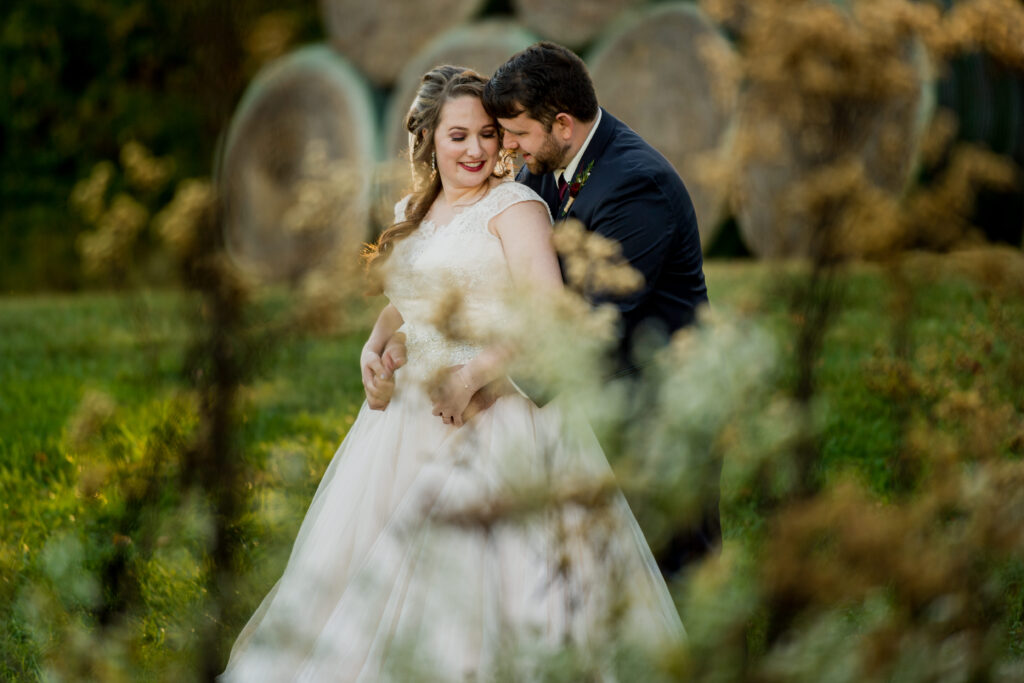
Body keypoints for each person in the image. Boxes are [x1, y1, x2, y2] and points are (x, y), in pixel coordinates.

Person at [221, 66, 682, 682]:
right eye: (458, 135)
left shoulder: (517, 206)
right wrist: (379, 338)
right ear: (429, 139)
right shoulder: (412, 208)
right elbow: (418, 294)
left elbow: (547, 313)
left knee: (476, 574)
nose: (476, 150)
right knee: (374, 571)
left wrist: (477, 374)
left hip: (495, 415)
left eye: (488, 135)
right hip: (407, 422)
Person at [482, 42, 721, 576]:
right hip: (601, 403)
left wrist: (495, 383)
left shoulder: (638, 185)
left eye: (517, 133)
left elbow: (598, 324)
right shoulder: (547, 166)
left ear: (562, 124)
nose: (509, 146)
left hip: (660, 407)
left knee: (676, 565)